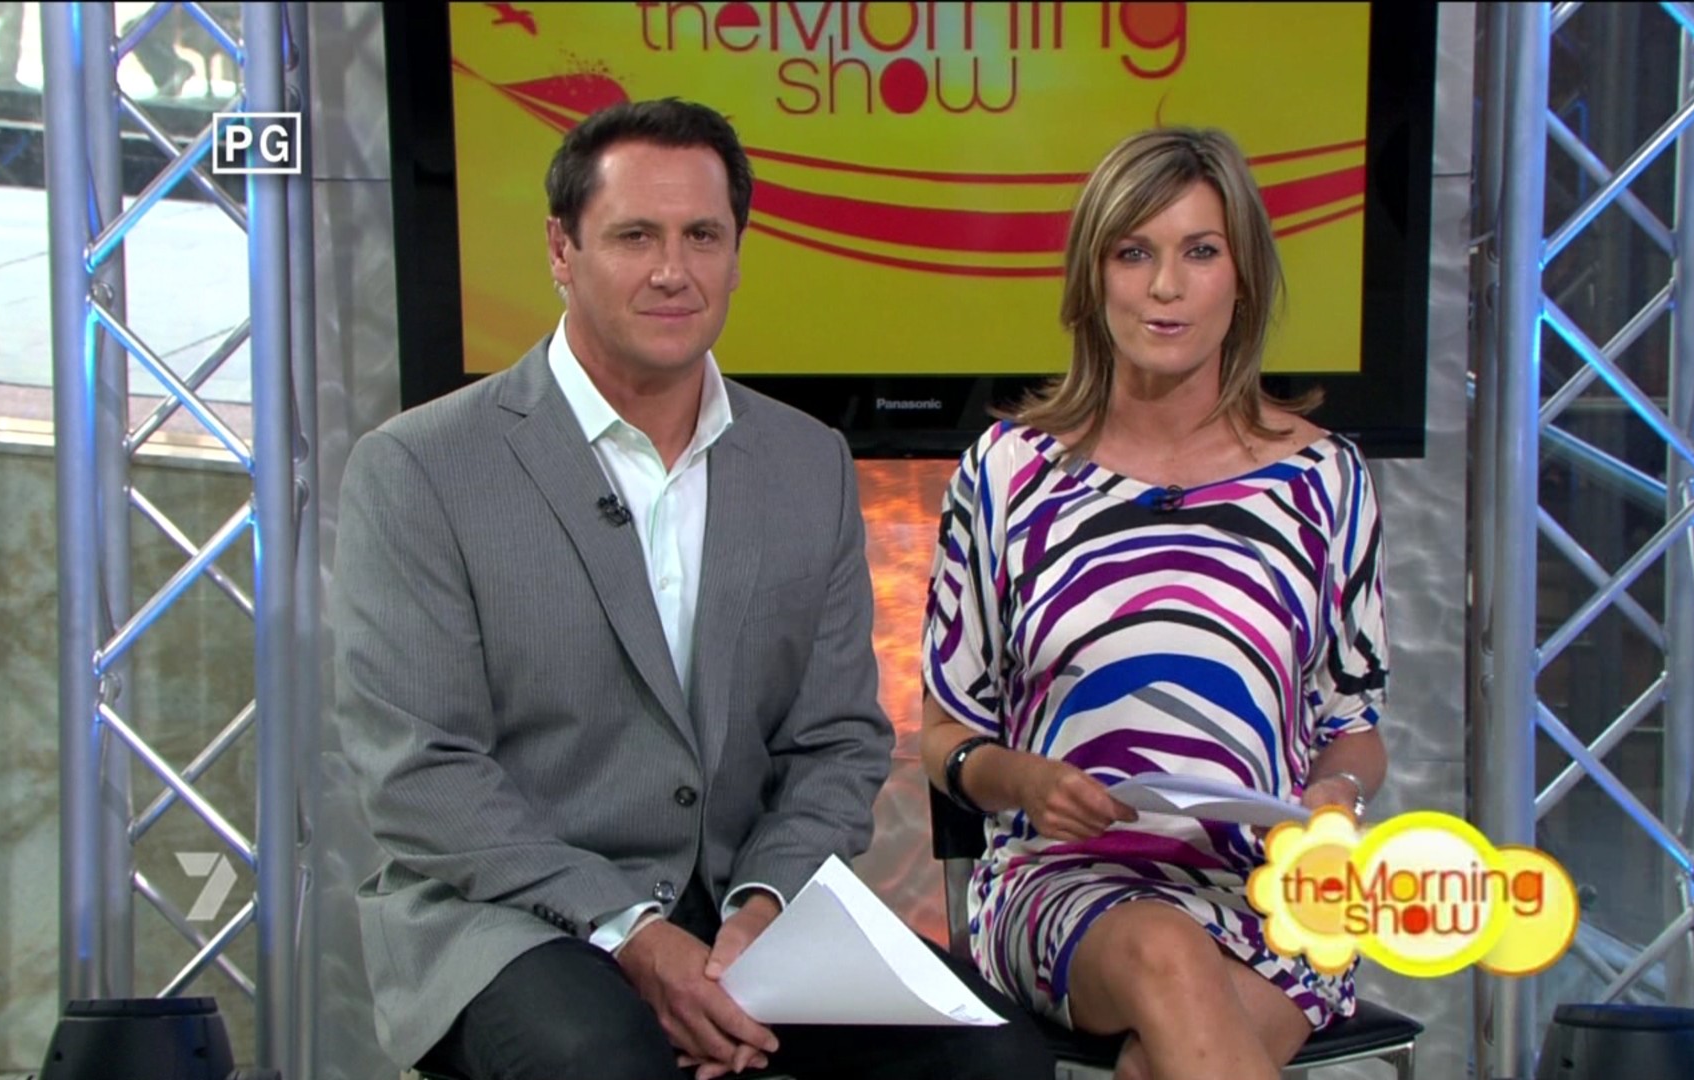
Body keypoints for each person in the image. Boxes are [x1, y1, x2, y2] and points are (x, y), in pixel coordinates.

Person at [334, 98, 1053, 1080]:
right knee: (601, 1060)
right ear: (561, 249)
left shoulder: (806, 462)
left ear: (737, 254)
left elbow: (837, 741)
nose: (673, 270)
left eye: (702, 236)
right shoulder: (422, 467)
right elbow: (420, 772)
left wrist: (762, 908)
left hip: (742, 911)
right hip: (509, 917)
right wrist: (632, 933)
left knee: (995, 1060)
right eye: (635, 236)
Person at [919, 126, 1392, 1080]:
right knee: (1170, 956)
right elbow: (943, 735)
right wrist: (1026, 783)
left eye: (1199, 252)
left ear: (1242, 280)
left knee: (1164, 1059)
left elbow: (1354, 727)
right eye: (1134, 253)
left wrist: (1334, 800)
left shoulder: (1325, 481)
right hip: (1062, 883)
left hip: (1268, 887)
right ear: (1093, 279)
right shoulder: (1009, 473)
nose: (1165, 287)